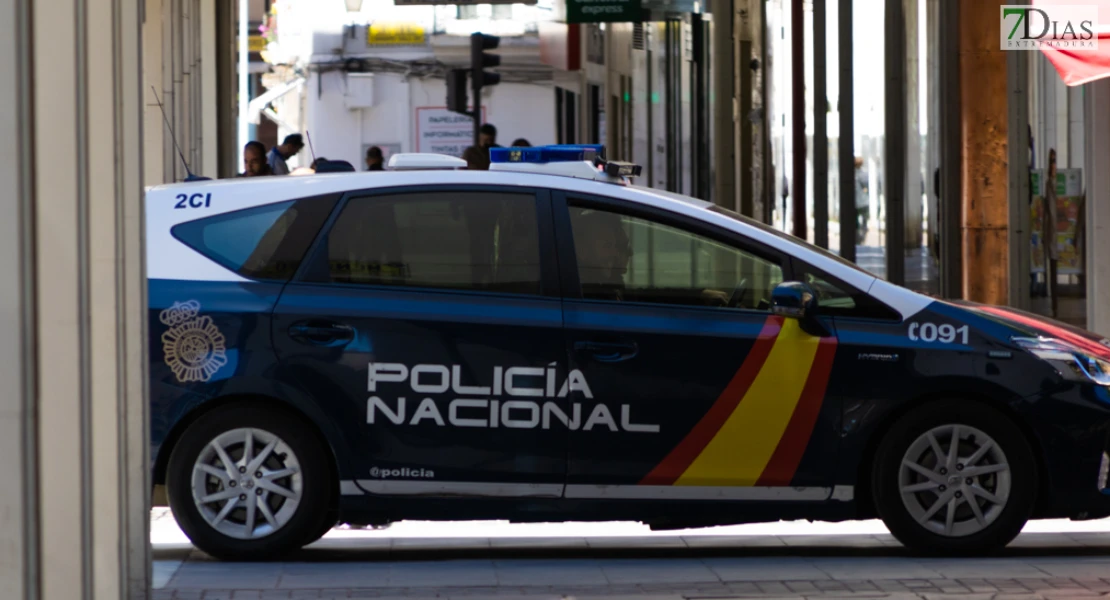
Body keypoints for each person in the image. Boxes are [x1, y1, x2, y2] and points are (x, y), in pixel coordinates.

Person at [854, 157, 869, 244]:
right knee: (864, 221)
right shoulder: (863, 175)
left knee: (855, 222)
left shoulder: (850, 175)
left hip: (854, 203)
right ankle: (862, 238)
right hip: (863, 202)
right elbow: (866, 186)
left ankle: (857, 238)